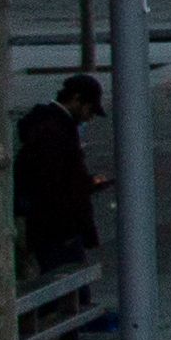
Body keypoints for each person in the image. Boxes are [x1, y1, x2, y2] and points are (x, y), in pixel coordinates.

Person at [16, 73, 105, 274]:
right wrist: (85, 185)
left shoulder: (47, 125)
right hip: (59, 227)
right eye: (89, 109)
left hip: (52, 225)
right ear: (76, 99)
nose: (89, 117)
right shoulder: (55, 131)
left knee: (65, 280)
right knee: (67, 280)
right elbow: (55, 182)